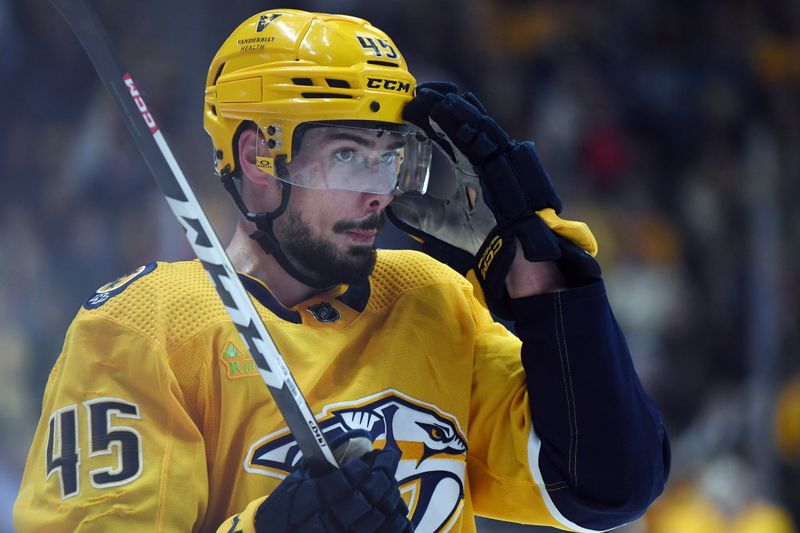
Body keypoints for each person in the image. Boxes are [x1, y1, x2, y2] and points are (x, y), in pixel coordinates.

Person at [14, 9, 670, 532]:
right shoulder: (147, 325)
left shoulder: (430, 298)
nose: (378, 192)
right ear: (258, 156)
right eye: (350, 154)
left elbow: (608, 486)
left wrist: (544, 287)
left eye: (391, 157)